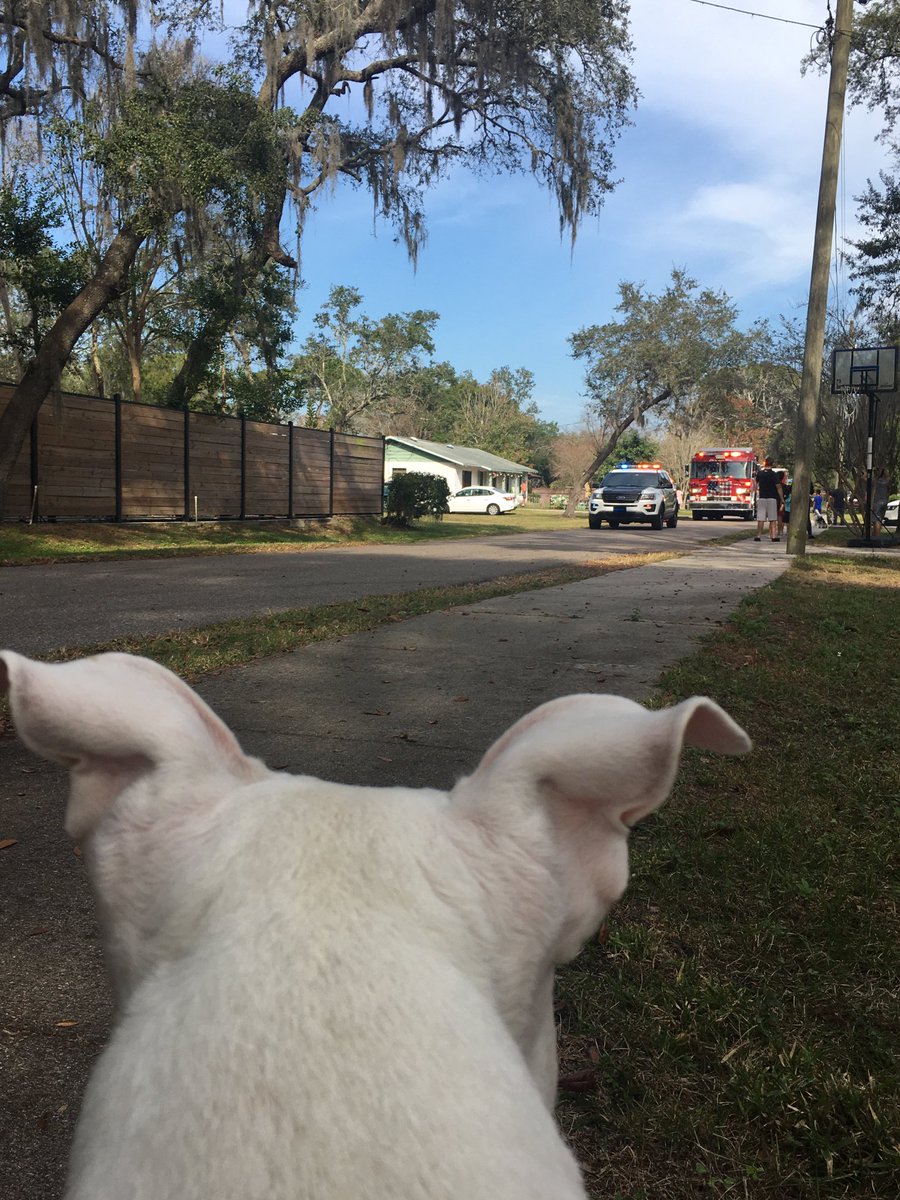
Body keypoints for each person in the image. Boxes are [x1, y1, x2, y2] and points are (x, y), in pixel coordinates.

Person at [754, 457, 783, 542]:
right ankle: (773, 536)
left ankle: (758, 536)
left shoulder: (760, 473)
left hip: (762, 497)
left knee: (761, 518)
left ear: (765, 462)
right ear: (772, 463)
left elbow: (756, 485)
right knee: (773, 519)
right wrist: (781, 498)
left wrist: (756, 496)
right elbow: (778, 487)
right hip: (772, 498)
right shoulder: (774, 475)